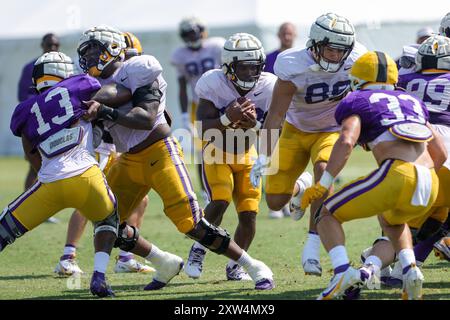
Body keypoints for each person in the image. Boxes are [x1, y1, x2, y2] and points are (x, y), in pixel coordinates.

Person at [78, 25, 275, 290]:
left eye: (95, 50)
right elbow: (102, 128)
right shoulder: (92, 86)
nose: (90, 57)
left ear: (114, 51)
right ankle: (151, 264)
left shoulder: (140, 67)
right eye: (86, 51)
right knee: (106, 220)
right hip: (128, 158)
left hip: (160, 151)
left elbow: (146, 118)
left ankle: (252, 266)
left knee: (192, 223)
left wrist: (103, 110)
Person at [299, 51, 446, 300]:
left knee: (326, 212)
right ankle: (410, 271)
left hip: (398, 172)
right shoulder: (411, 100)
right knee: (392, 222)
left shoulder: (357, 99)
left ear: (358, 79)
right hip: (430, 182)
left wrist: (324, 184)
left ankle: (342, 273)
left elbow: (346, 141)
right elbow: (440, 153)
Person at [6, 51, 133, 298]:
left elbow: (30, 153)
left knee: (5, 228)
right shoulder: (81, 84)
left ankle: (71, 257)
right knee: (108, 221)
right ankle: (99, 277)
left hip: (49, 181)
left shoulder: (23, 110)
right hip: (86, 174)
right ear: (64, 73)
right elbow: (118, 92)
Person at [251, 12, 366, 276]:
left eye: (341, 50)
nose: (336, 56)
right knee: (275, 201)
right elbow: (276, 114)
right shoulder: (292, 63)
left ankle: (312, 245)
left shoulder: (357, 58)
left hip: (331, 129)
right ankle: (301, 187)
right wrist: (264, 156)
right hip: (296, 129)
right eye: (330, 49)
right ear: (314, 44)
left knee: (324, 169)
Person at [54, 31, 153, 277]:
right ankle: (68, 257)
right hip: (98, 146)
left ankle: (125, 256)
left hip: (115, 149)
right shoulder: (99, 79)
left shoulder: (131, 77)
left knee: (140, 199)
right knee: (91, 200)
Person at [183, 33, 277, 281]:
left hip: (247, 153)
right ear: (228, 66)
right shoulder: (213, 82)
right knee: (220, 200)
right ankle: (198, 249)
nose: (249, 73)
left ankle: (236, 266)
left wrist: (254, 126)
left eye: (254, 67)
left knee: (249, 212)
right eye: (243, 67)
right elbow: (202, 127)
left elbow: (277, 129)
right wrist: (227, 118)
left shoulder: (268, 85)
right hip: (216, 152)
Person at [170, 17, 225, 203]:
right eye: (188, 34)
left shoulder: (217, 46)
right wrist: (185, 115)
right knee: (202, 151)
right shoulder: (180, 55)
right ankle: (205, 192)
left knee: (235, 142)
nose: (192, 37)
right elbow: (182, 86)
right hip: (199, 105)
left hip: (223, 101)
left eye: (194, 32)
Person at [17, 33, 61, 223]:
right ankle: (27, 206)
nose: (53, 48)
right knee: (35, 165)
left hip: (56, 124)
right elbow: (22, 95)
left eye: (56, 45)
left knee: (51, 165)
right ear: (42, 45)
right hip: (37, 124)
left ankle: (43, 210)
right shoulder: (31, 67)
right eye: (50, 44)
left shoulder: (62, 66)